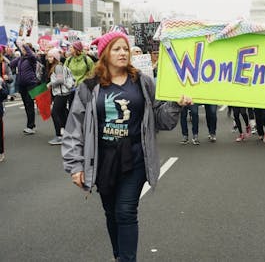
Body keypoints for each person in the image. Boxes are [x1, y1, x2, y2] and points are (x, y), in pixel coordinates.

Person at [61, 31, 191, 262]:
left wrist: (176, 105)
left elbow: (161, 120)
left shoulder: (143, 82)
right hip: (102, 160)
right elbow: (74, 129)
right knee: (111, 213)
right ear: (104, 53)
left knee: (125, 211)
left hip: (135, 157)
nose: (122, 53)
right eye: (116, 48)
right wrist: (75, 165)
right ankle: (119, 256)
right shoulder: (89, 87)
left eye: (125, 49)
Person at [46, 48, 74, 145]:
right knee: (62, 113)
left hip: (61, 93)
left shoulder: (57, 67)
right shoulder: (59, 66)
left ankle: (59, 136)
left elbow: (60, 80)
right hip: (64, 92)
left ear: (55, 58)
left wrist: (50, 84)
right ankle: (68, 133)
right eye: (48, 56)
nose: (49, 58)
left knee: (55, 113)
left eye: (51, 57)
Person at [10, 43, 38, 134]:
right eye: (22, 49)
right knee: (26, 105)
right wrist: (17, 58)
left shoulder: (32, 58)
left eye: (25, 49)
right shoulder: (21, 58)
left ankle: (31, 126)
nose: (23, 50)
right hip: (22, 85)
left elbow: (30, 54)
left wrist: (24, 44)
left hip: (31, 84)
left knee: (29, 104)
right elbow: (11, 64)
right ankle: (30, 125)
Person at [64, 40, 95, 109]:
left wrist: (86, 80)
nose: (69, 49)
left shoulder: (87, 59)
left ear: (76, 49)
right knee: (71, 107)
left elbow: (93, 72)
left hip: (83, 87)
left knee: (82, 107)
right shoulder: (68, 60)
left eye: (71, 47)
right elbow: (64, 72)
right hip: (71, 87)